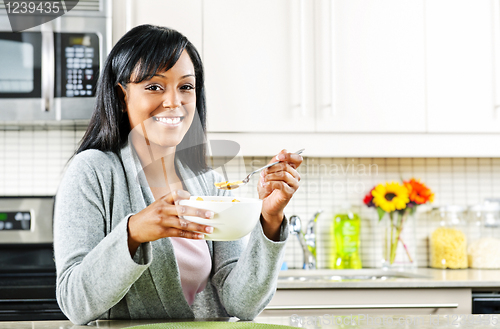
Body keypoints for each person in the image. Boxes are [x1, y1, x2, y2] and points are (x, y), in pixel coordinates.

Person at [53, 24, 303, 325]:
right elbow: (74, 303)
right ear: (122, 96)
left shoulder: (208, 181)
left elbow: (242, 303)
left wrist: (271, 220)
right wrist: (133, 233)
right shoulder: (92, 172)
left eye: (186, 87)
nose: (174, 102)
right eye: (154, 86)